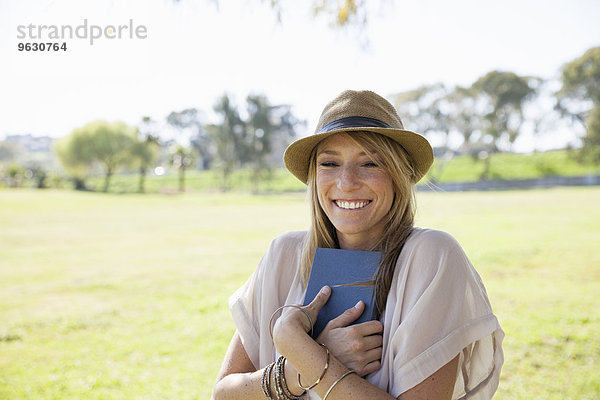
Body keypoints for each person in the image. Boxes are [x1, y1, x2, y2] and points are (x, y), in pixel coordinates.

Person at [212, 90, 504, 400]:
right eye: (330, 163)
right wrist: (297, 369)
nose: (347, 182)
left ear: (399, 175)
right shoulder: (284, 254)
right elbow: (223, 394)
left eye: (370, 164)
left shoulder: (432, 256)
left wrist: (296, 344)